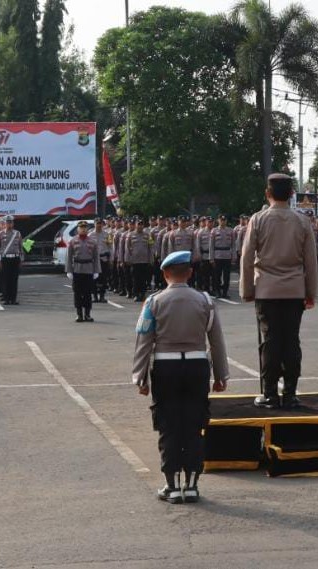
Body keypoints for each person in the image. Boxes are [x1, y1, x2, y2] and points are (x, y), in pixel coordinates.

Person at [132, 250, 228, 504]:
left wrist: (140, 378)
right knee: (195, 425)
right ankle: (193, 484)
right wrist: (221, 375)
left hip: (166, 368)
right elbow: (216, 341)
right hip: (197, 367)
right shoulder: (205, 301)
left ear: (164, 274)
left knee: (169, 425)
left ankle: (172, 486)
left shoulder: (154, 302)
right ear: (190, 273)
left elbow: (144, 341)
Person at [240, 173, 318, 409]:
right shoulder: (302, 221)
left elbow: (246, 257)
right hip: (294, 288)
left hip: (267, 289)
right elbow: (310, 260)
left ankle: (270, 394)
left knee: (271, 341)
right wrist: (311, 292)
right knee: (291, 341)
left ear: (268, 193)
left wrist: (247, 290)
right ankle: (291, 393)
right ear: (292, 194)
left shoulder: (259, 219)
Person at [65, 220, 100, 322]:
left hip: (89, 270)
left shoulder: (93, 241)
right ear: (78, 229)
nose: (83, 229)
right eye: (81, 228)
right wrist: (69, 271)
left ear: (87, 229)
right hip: (77, 269)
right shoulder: (73, 241)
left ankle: (88, 314)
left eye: (85, 228)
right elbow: (69, 257)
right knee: (77, 293)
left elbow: (96, 257)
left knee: (88, 293)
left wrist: (96, 271)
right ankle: (79, 314)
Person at [0, 215, 23, 305]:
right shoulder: (0, 234)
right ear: (4, 223)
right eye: (8, 222)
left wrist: (21, 260)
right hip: (5, 259)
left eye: (11, 222)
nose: (9, 224)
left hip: (15, 258)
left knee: (14, 280)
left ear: (13, 223)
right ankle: (6, 298)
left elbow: (20, 247)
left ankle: (13, 299)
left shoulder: (17, 233)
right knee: (5, 279)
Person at [125, 217, 154, 302]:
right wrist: (128, 259)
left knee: (144, 278)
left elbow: (150, 247)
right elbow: (127, 248)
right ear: (136, 225)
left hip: (145, 260)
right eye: (139, 224)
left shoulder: (147, 235)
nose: (140, 226)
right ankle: (136, 294)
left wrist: (151, 259)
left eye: (142, 225)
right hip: (135, 261)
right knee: (136, 278)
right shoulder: (130, 235)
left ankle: (142, 294)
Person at [210, 215, 237, 299]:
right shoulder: (214, 231)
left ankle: (225, 292)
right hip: (217, 256)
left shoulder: (231, 231)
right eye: (221, 220)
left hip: (227, 256)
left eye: (224, 220)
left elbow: (233, 245)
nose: (223, 221)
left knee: (226, 276)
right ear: (218, 221)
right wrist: (211, 258)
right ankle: (218, 292)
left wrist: (233, 257)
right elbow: (211, 245)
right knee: (217, 276)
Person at [89, 218, 110, 302]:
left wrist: (110, 259)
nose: (99, 225)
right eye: (97, 223)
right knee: (94, 278)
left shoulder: (107, 235)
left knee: (103, 279)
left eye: (100, 223)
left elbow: (110, 247)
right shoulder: (90, 235)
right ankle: (94, 296)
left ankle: (102, 296)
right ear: (94, 224)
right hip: (94, 260)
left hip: (103, 259)